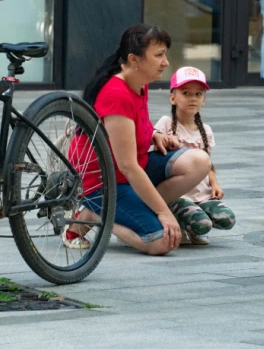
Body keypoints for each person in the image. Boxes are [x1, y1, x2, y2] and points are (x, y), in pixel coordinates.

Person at [67, 24, 212, 255]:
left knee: (199, 161)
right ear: (134, 60)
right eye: (159, 55)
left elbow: (130, 130)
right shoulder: (116, 93)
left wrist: (155, 135)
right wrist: (165, 213)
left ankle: (138, 212)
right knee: (162, 242)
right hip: (104, 183)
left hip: (131, 171)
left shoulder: (138, 83)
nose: (165, 62)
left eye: (164, 54)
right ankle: (94, 215)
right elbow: (127, 166)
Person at [153, 66, 236, 246]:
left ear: (204, 100)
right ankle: (179, 221)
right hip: (178, 195)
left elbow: (208, 164)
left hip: (202, 195)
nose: (193, 98)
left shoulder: (206, 131)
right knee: (203, 224)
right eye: (186, 93)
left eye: (198, 94)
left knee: (227, 219)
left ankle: (193, 222)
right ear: (172, 98)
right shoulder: (165, 124)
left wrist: (215, 184)